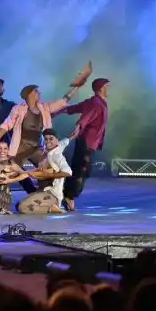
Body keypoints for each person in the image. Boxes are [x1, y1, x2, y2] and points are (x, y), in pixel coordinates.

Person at [0, 83, 79, 192]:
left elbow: (63, 102)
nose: (39, 93)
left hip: (37, 147)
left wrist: (76, 87)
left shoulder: (44, 108)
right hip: (21, 147)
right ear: (29, 94)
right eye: (36, 91)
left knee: (48, 168)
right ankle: (31, 191)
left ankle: (45, 192)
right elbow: (7, 124)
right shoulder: (19, 109)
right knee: (14, 169)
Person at [59, 78, 109, 211]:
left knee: (80, 169)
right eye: (106, 86)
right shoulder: (97, 103)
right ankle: (68, 195)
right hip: (86, 141)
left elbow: (78, 107)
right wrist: (78, 127)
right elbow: (85, 118)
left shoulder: (95, 101)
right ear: (100, 88)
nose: (108, 88)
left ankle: (67, 194)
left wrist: (61, 111)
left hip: (88, 142)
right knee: (82, 170)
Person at [18, 129, 72, 214]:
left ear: (57, 140)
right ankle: (46, 206)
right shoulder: (49, 150)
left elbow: (68, 172)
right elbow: (64, 142)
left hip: (52, 194)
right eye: (45, 139)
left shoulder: (56, 155)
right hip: (42, 191)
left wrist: (47, 175)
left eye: (51, 139)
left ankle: (53, 209)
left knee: (22, 207)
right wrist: (73, 135)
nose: (48, 141)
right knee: (18, 205)